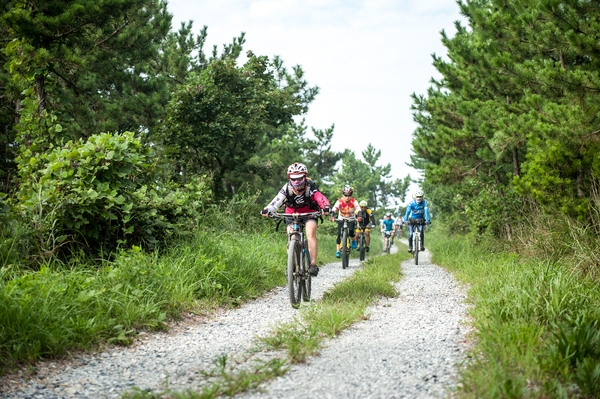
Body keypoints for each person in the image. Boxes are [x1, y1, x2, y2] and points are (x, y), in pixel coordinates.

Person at [261, 162, 330, 276]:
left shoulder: (310, 186)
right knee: (292, 235)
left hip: (309, 214)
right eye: (293, 179)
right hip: (291, 214)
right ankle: (291, 263)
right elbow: (276, 201)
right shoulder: (287, 188)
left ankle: (313, 264)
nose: (296, 181)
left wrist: (326, 207)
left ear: (304, 176)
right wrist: (267, 210)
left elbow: (320, 198)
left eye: (299, 178)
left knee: (310, 232)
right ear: (289, 178)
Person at [329, 185, 361, 258]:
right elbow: (334, 209)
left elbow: (358, 209)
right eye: (345, 195)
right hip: (341, 218)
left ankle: (353, 240)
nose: (347, 197)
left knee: (351, 231)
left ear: (351, 195)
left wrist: (359, 216)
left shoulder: (354, 201)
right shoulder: (339, 201)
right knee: (339, 234)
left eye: (349, 195)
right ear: (342, 194)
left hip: (351, 218)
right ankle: (337, 250)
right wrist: (332, 216)